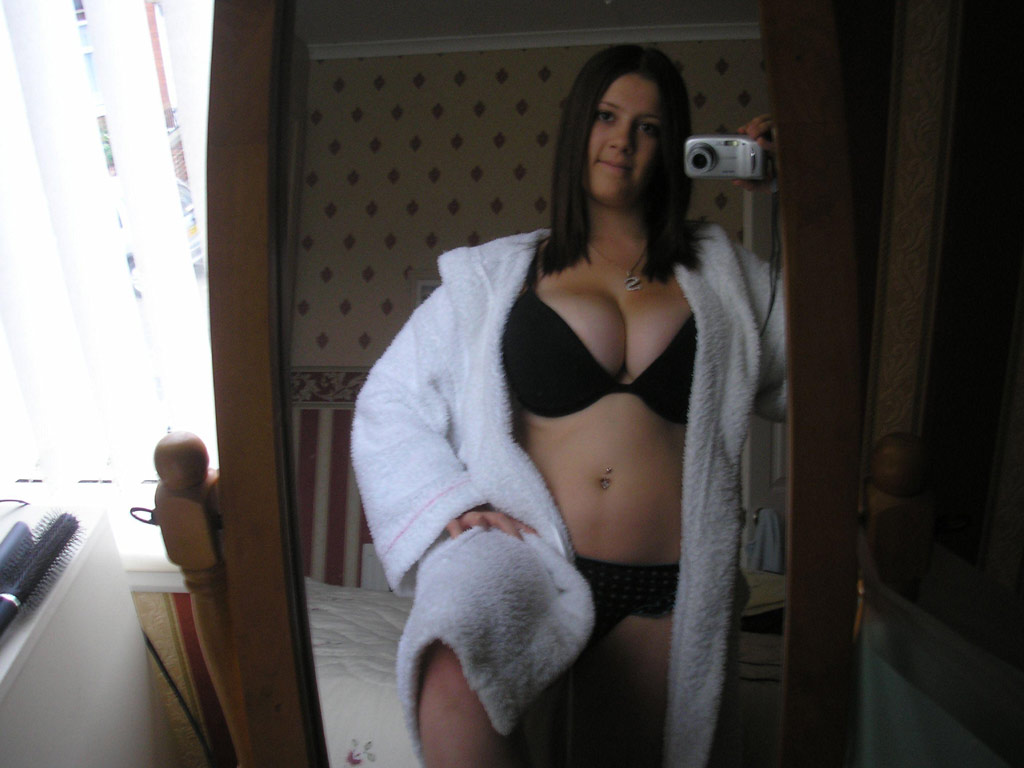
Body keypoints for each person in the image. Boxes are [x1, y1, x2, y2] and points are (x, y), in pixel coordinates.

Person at [351, 45, 785, 768]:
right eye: (607, 117)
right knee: (450, 674)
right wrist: (447, 500)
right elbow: (390, 396)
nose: (623, 140)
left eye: (649, 127)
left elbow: (818, 373)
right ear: (579, 126)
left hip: (667, 591)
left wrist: (799, 207)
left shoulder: (725, 278)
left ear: (673, 146)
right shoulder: (496, 277)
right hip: (532, 569)